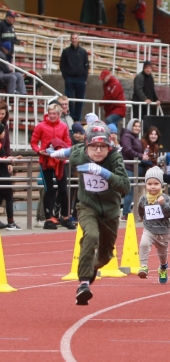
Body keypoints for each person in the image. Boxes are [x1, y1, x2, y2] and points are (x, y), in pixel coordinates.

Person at [49, 125, 130, 305]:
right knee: (91, 235)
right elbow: (71, 151)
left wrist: (103, 172)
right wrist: (55, 153)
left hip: (110, 211)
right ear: (87, 147)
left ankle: (90, 267)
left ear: (109, 147)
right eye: (94, 147)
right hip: (87, 206)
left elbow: (125, 186)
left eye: (103, 147)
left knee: (105, 256)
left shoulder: (115, 158)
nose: (98, 151)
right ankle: (84, 284)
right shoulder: (81, 154)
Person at [30, 103, 75, 230]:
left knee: (63, 189)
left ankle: (65, 217)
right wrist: (39, 151)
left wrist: (62, 150)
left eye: (54, 114)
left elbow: (68, 142)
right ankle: (48, 219)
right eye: (50, 113)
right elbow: (33, 142)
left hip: (59, 161)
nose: (52, 116)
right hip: (45, 161)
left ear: (59, 114)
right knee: (49, 190)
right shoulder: (41, 126)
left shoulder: (63, 127)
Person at [136, 167, 170, 282]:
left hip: (163, 231)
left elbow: (169, 213)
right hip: (149, 229)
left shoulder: (166, 198)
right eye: (149, 184)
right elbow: (140, 208)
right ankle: (143, 267)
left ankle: (163, 267)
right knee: (143, 244)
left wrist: (163, 204)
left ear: (162, 185)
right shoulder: (143, 199)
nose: (152, 186)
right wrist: (141, 216)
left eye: (156, 183)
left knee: (162, 254)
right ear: (145, 185)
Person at [119, 118, 146, 219]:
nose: (137, 128)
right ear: (131, 126)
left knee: (133, 190)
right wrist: (141, 156)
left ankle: (130, 212)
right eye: (135, 126)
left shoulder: (135, 138)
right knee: (130, 190)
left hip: (134, 167)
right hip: (129, 166)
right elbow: (127, 150)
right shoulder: (127, 136)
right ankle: (125, 213)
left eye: (139, 126)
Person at [60, 33, 90, 122]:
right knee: (69, 100)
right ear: (70, 39)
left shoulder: (83, 52)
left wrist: (85, 78)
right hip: (69, 79)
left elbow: (86, 65)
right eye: (72, 38)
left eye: (75, 38)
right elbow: (62, 65)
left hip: (81, 79)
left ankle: (77, 118)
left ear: (78, 39)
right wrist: (66, 77)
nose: (74, 40)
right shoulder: (66, 52)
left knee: (80, 100)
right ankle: (71, 117)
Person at [0, 102, 19, 230]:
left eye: (3, 114)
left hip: (3, 161)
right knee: (7, 192)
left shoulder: (5, 126)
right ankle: (11, 222)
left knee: (5, 192)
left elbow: (6, 145)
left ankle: (10, 221)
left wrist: (9, 160)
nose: (0, 116)